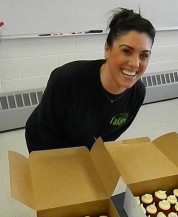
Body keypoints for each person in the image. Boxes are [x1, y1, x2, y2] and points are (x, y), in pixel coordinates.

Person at [25, 8, 155, 152]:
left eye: (144, 55)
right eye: (126, 51)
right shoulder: (66, 79)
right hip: (45, 142)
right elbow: (47, 130)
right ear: (107, 49)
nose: (135, 63)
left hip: (84, 146)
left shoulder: (137, 93)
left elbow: (111, 135)